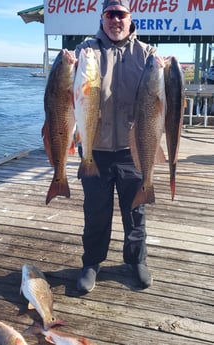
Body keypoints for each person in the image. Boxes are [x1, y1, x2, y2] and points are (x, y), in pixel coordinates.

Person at [75, 0, 156, 293]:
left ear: (130, 18)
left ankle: (136, 260)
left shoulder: (147, 54)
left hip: (133, 149)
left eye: (121, 14)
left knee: (135, 212)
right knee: (95, 211)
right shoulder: (86, 51)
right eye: (110, 14)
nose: (115, 20)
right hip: (95, 150)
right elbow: (68, 92)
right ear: (102, 18)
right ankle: (92, 262)